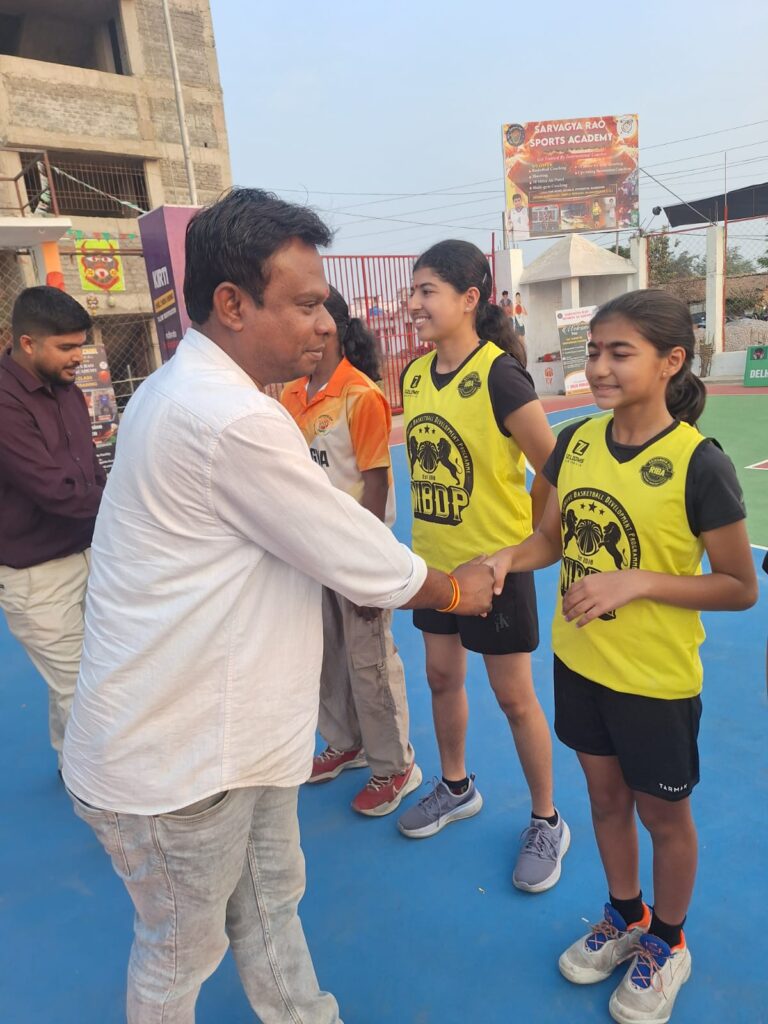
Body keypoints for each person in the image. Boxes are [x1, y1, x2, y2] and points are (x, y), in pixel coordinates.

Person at [62, 189, 494, 1024]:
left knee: (271, 905)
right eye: (304, 304)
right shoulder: (225, 416)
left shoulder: (193, 392)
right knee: (180, 953)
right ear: (232, 304)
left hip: (234, 746)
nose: (324, 323)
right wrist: (453, 589)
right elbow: (351, 546)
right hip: (176, 765)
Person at [487, 289, 757, 1024]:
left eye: (619, 352)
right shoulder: (575, 441)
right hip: (581, 665)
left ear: (671, 362)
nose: (599, 367)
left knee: (664, 818)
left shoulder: (698, 464)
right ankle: (626, 915)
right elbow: (552, 539)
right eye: (594, 351)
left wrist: (637, 581)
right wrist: (506, 558)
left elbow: (740, 586)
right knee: (605, 801)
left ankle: (668, 940)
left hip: (654, 681)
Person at [396, 239, 570, 895]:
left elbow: (555, 465)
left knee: (514, 697)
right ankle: (456, 786)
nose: (414, 304)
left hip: (494, 571)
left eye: (427, 291)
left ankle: (547, 820)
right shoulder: (415, 376)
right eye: (413, 291)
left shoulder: (500, 376)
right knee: (442, 678)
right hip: (436, 568)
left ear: (470, 298)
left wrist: (528, 537)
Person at [281, 287, 420, 816]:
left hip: (355, 553)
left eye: (308, 314)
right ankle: (345, 742)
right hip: (310, 551)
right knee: (324, 655)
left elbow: (376, 482)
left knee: (369, 661)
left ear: (332, 327)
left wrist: (367, 568)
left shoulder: (360, 396)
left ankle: (395, 765)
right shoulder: (291, 394)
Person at [0, 286, 104, 772]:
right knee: (83, 688)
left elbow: (90, 469)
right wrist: (131, 506)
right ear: (27, 343)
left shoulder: (68, 391)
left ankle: (70, 761)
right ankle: (102, 792)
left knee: (89, 673)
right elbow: (53, 490)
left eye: (80, 345)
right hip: (35, 575)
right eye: (66, 347)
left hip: (86, 552)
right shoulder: (4, 404)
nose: (78, 357)